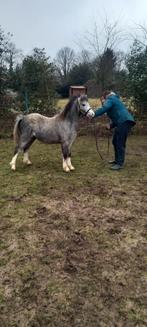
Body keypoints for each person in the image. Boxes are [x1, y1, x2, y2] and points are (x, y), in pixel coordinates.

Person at [94, 90, 136, 170]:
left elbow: (105, 108)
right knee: (115, 141)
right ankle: (117, 161)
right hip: (122, 122)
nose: (102, 101)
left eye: (102, 99)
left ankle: (119, 163)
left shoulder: (110, 99)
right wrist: (111, 125)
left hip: (124, 121)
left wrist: (93, 114)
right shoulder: (114, 99)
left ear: (105, 96)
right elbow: (117, 115)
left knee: (120, 143)